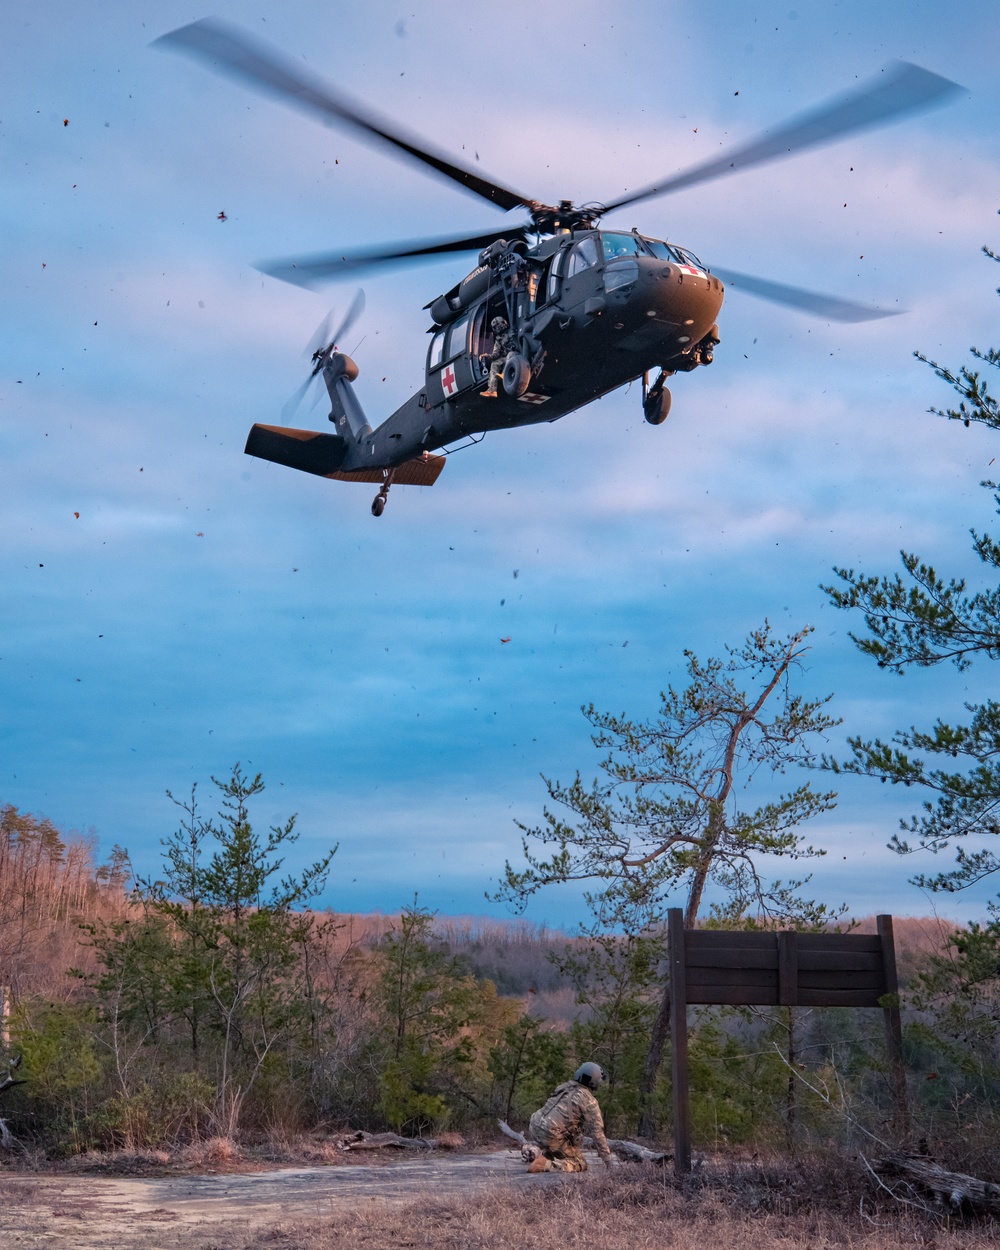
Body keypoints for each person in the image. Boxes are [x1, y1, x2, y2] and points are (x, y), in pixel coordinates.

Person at [525, 1062, 613, 1173]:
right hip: (551, 1134)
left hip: (534, 1126)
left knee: (566, 1140)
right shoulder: (588, 1100)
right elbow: (597, 1133)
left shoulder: (563, 1087)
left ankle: (542, 1154)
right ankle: (547, 1165)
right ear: (593, 1081)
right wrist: (608, 1162)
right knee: (580, 1163)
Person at [481, 316, 513, 397]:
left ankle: (505, 373)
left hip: (518, 354)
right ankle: (492, 390)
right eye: (495, 328)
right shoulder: (499, 339)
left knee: (510, 354)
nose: (497, 329)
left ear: (504, 323)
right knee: (495, 363)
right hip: (508, 358)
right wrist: (488, 356)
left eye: (497, 326)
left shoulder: (512, 331)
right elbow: (497, 353)